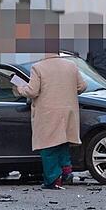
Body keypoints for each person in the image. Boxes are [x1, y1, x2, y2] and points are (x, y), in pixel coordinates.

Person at [16, 54, 87, 190]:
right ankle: (66, 172)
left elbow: (32, 91)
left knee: (47, 147)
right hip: (68, 111)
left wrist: (20, 88)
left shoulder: (38, 67)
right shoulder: (71, 65)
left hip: (48, 113)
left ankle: (53, 179)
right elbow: (82, 86)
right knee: (62, 143)